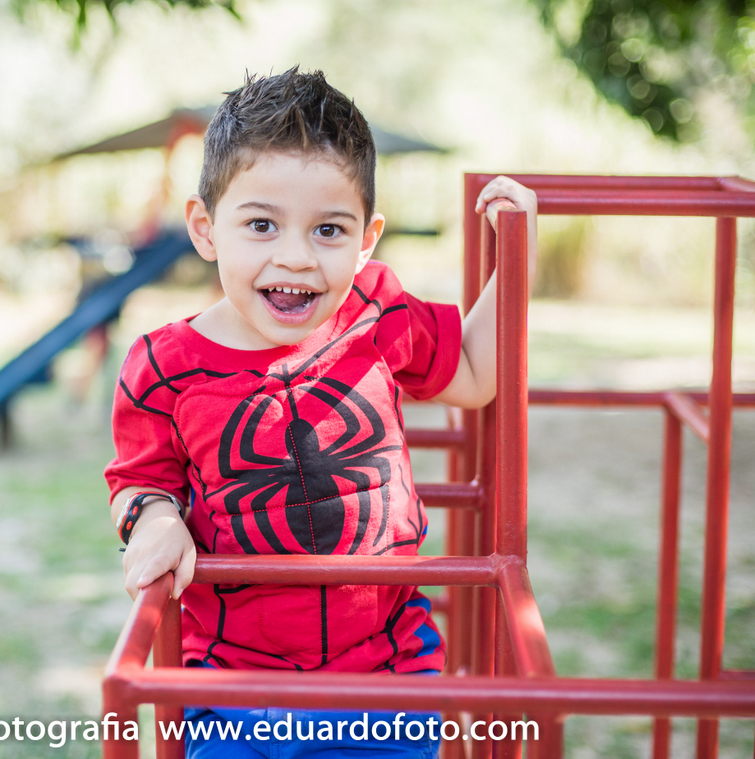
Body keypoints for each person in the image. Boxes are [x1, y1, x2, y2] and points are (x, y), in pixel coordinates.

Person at [105, 67, 537, 758]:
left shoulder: (375, 311)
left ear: (368, 237)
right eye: (261, 224)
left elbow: (478, 374)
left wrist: (517, 254)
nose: (296, 257)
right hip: (231, 685)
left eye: (329, 229)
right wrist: (156, 518)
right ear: (206, 227)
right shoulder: (163, 365)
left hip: (385, 681)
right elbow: (141, 477)